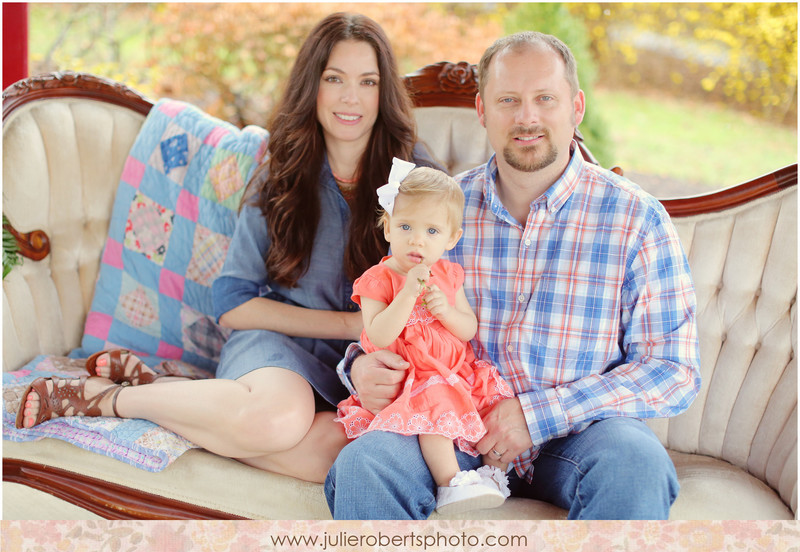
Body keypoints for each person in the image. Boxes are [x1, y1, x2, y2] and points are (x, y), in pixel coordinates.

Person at [14, 12, 437, 484]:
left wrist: (373, 343)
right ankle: (106, 399)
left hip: (363, 366)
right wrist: (346, 324)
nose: (350, 98)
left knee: (344, 457)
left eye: (368, 81)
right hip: (277, 346)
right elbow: (233, 305)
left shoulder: (415, 174)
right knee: (277, 421)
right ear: (311, 87)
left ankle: (178, 399)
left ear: (384, 92)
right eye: (333, 78)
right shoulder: (282, 171)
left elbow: (440, 277)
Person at [325, 31, 702, 519]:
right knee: (365, 466)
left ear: (577, 106)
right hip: (451, 423)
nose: (527, 118)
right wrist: (358, 369)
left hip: (579, 434)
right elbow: (391, 311)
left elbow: (673, 369)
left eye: (545, 98)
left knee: (636, 462)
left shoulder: (636, 219)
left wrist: (536, 414)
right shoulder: (437, 212)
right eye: (508, 101)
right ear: (482, 111)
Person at [336, 159, 515, 515]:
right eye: (405, 226)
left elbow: (468, 329)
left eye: (432, 232)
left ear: (451, 238)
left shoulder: (448, 275)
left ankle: (494, 474)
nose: (417, 240)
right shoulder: (378, 279)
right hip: (413, 377)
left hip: (455, 370)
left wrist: (445, 311)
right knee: (436, 408)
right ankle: (450, 483)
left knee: (495, 404)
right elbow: (380, 335)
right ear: (387, 229)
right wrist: (406, 294)